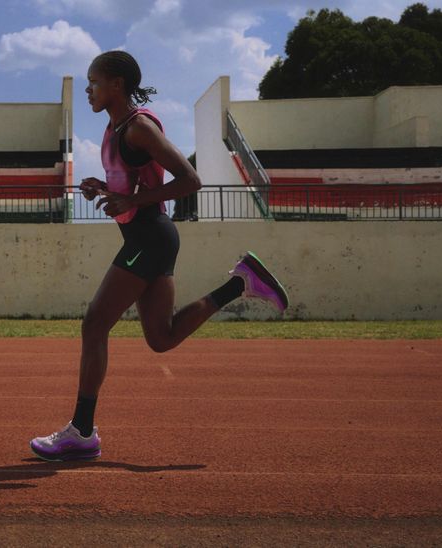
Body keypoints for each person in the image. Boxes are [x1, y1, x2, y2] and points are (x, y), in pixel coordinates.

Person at [30, 51, 288, 461]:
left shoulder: (139, 128)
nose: (88, 89)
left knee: (95, 324)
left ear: (117, 84)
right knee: (161, 338)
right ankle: (241, 282)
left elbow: (191, 181)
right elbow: (129, 184)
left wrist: (128, 198)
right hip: (150, 238)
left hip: (149, 238)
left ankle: (81, 431)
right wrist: (104, 188)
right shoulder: (115, 129)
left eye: (94, 81)